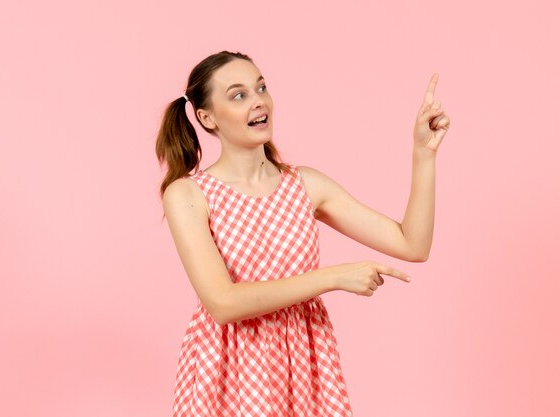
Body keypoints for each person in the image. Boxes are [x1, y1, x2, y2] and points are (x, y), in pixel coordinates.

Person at [155, 50, 450, 417]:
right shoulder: (188, 194)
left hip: (305, 363)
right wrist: (334, 277)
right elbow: (223, 303)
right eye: (238, 95)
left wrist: (423, 155)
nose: (259, 100)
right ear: (206, 117)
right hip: (229, 372)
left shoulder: (305, 185)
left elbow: (412, 244)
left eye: (261, 87)